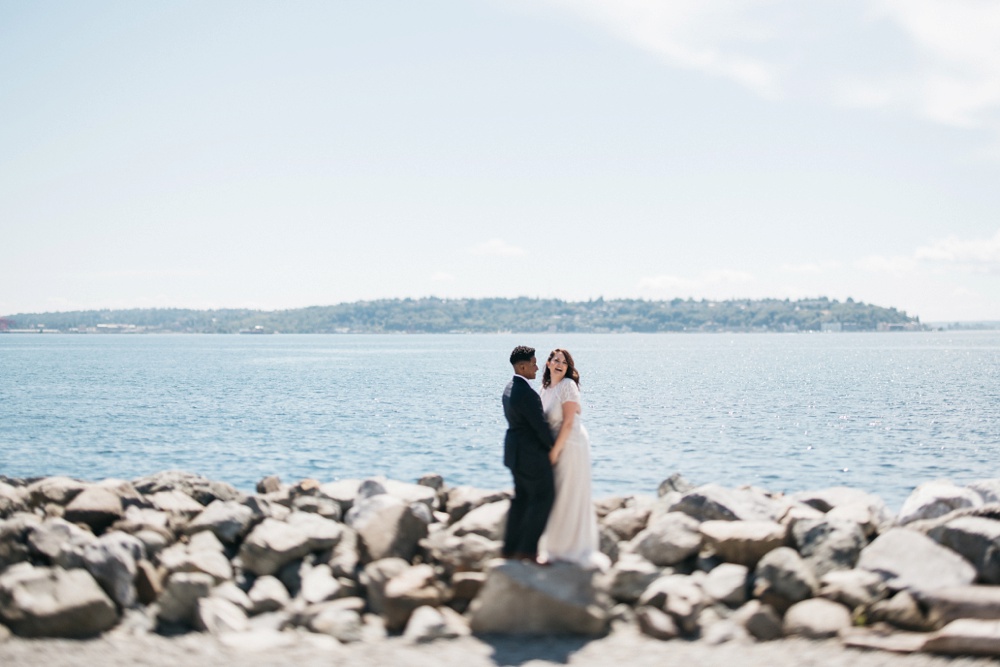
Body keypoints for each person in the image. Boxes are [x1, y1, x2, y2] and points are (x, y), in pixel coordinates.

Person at [537, 348, 609, 569]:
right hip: (558, 443)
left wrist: (554, 452)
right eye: (555, 360)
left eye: (564, 362)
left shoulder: (568, 386)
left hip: (572, 443)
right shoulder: (544, 388)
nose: (560, 364)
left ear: (568, 368)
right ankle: (556, 546)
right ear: (548, 364)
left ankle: (571, 547)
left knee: (568, 492)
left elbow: (568, 422)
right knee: (557, 494)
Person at [501, 345, 556, 563]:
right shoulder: (527, 394)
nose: (537, 366)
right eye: (533, 363)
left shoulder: (509, 388)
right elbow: (540, 428)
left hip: (515, 452)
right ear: (522, 366)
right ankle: (529, 551)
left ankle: (509, 548)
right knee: (543, 498)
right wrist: (555, 449)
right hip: (531, 455)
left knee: (521, 499)